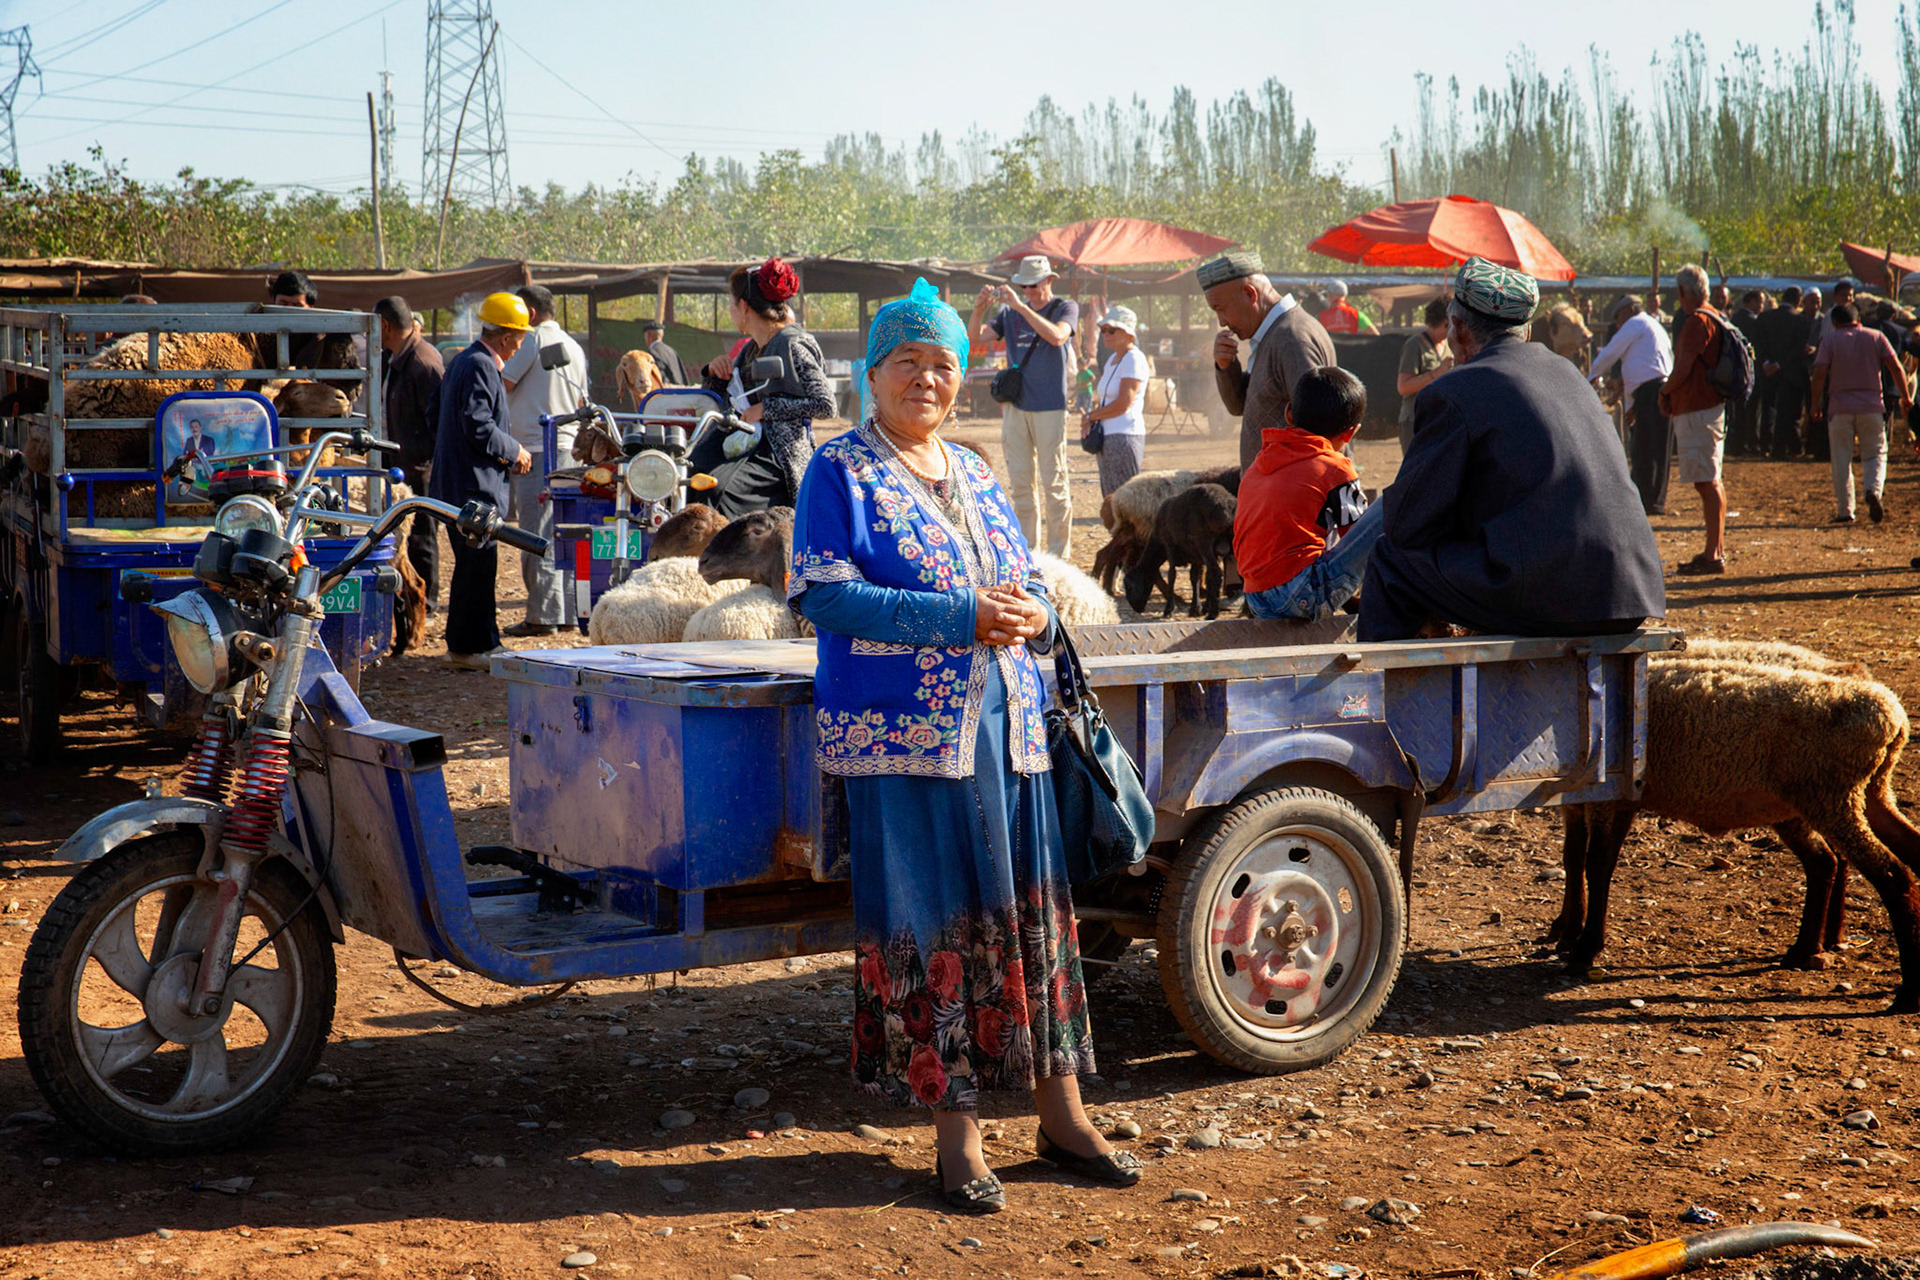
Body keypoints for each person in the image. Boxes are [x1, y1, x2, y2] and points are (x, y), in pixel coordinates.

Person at [789, 278, 1139, 1216]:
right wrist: (960, 616)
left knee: (1030, 919)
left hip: (1010, 734)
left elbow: (1016, 574)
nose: (928, 379)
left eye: (944, 364)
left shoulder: (979, 472)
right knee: (940, 921)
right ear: (871, 375)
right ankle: (960, 1140)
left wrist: (1025, 610)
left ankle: (1063, 1115)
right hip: (906, 742)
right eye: (908, 362)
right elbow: (819, 592)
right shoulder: (842, 472)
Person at [1359, 257, 1665, 641]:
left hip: (1549, 596)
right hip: (1629, 593)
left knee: (1391, 561)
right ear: (1528, 330)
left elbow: (1406, 525)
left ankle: (1386, 700)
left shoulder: (1453, 390)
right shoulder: (1568, 374)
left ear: (1456, 328)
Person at [429, 291, 533, 670]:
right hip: (473, 488)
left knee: (475, 566)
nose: (521, 344)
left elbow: (432, 414)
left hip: (459, 483)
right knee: (477, 566)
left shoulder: (462, 361)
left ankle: (473, 644)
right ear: (506, 337)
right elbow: (478, 425)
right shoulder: (481, 366)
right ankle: (473, 648)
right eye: (520, 337)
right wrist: (513, 450)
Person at [696, 256, 834, 517]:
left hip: (779, 455)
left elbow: (826, 405)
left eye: (730, 303)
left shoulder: (792, 344)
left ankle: (726, 555)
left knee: (717, 490)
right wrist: (715, 374)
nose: (730, 310)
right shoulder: (750, 349)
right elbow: (731, 399)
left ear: (744, 306)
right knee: (693, 470)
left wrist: (765, 409)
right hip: (748, 442)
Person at [1239, 367, 1380, 620]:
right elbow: (1360, 537)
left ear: (1289, 413)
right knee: (1385, 510)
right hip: (1300, 595)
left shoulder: (1260, 461)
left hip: (1255, 598)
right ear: (1351, 433)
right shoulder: (1335, 467)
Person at [968, 255, 1080, 556]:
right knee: (1020, 483)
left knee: (1054, 483)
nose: (1029, 290)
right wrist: (979, 308)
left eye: (1033, 284)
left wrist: (1019, 306)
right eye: (1024, 285)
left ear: (1049, 281)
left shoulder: (1065, 308)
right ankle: (1028, 550)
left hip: (1050, 407)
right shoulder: (1010, 315)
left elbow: (1057, 336)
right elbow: (975, 337)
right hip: (1016, 407)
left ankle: (1059, 553)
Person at [498, 284, 587, 637]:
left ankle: (542, 616)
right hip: (566, 449)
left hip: (536, 449)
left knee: (536, 534)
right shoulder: (575, 346)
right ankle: (564, 612)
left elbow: (501, 382)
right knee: (562, 532)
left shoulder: (532, 340)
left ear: (530, 313)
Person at [1200, 250, 1338, 473]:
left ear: (1249, 294)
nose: (1222, 322)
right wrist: (1227, 368)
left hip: (1294, 497)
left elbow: (1318, 432)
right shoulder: (1274, 335)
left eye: (1221, 309)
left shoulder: (1291, 339)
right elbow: (1240, 406)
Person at [1658, 264, 1731, 574]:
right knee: (1712, 481)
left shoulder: (1697, 322)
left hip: (1697, 409)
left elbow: (1682, 369)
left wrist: (1664, 392)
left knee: (1706, 482)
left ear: (1681, 292)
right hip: (1709, 408)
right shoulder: (1713, 316)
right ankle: (1715, 550)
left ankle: (1712, 555)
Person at [1812, 302, 1911, 525]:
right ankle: (1873, 490)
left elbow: (1819, 372)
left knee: (1841, 458)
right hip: (1872, 405)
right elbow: (1896, 366)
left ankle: (1845, 510)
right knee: (1875, 454)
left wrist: (1815, 404)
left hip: (1839, 407)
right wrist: (1906, 398)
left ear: (1835, 322)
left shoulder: (1829, 340)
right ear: (1858, 319)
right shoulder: (1876, 337)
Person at [375, 295, 445, 608]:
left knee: (422, 536)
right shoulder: (394, 358)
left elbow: (441, 422)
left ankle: (426, 603)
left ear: (385, 325)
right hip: (401, 463)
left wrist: (425, 460)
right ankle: (408, 599)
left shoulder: (422, 363)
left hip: (420, 466)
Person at [1588, 295, 1676, 515]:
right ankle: (1653, 499)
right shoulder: (1652, 326)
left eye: (1617, 317)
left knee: (1645, 446)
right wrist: (1629, 403)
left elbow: (1609, 353)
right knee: (1657, 446)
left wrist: (1589, 378)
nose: (1617, 324)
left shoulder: (1635, 323)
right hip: (1660, 389)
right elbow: (1638, 366)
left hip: (1650, 390)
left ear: (1627, 311)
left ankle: (1647, 500)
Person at [1082, 304, 1150, 497]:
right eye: (1103, 330)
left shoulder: (1134, 358)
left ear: (1129, 334)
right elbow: (1105, 398)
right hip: (1108, 436)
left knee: (1124, 500)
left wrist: (1091, 416)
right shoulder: (1113, 359)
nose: (1106, 334)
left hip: (1124, 436)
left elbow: (1123, 403)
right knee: (1111, 499)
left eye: (1112, 330)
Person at [1754, 285, 1807, 458]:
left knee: (1768, 409)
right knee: (1787, 410)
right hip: (1789, 371)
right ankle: (1783, 447)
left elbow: (1758, 344)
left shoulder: (1764, 317)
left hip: (1767, 370)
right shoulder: (1800, 320)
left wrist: (1766, 363)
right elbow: (1798, 348)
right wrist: (1780, 364)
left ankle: (1765, 445)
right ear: (1798, 301)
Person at [1394, 298, 1453, 453]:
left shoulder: (1448, 345)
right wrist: (1436, 374)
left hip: (1438, 419)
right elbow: (1403, 387)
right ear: (1445, 322)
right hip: (1415, 420)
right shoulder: (1414, 345)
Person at [1728, 289, 1766, 456]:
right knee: (1753, 410)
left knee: (1738, 410)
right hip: (1751, 371)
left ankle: (1737, 444)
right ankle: (1751, 443)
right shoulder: (1754, 322)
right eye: (1760, 302)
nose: (1761, 306)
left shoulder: (1734, 319)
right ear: (1750, 302)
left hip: (1734, 372)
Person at [642, 318, 688, 386]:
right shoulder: (671, 351)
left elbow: (658, 380)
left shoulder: (652, 353)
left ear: (648, 335)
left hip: (666, 394)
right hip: (680, 393)